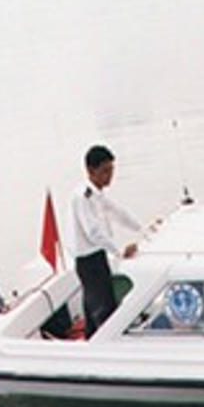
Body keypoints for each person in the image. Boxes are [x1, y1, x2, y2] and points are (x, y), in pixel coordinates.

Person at [71, 144, 144, 338]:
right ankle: (106, 345)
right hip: (89, 261)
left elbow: (117, 212)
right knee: (103, 308)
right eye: (105, 171)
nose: (110, 176)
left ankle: (91, 339)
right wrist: (119, 251)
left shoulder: (97, 194)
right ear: (90, 171)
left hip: (98, 256)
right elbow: (93, 232)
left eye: (111, 170)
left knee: (94, 308)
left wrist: (142, 229)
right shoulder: (83, 197)